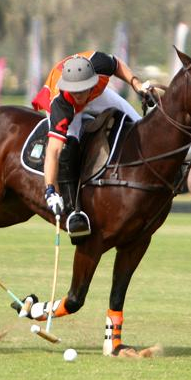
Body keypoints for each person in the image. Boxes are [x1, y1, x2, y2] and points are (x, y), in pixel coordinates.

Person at [32, 51, 156, 241]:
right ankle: (73, 211)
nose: (79, 95)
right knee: (69, 146)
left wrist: (137, 85)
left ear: (92, 81)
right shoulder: (61, 104)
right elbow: (53, 151)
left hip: (97, 94)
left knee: (139, 124)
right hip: (66, 104)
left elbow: (117, 65)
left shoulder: (99, 64)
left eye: (83, 90)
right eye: (75, 91)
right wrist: (50, 190)